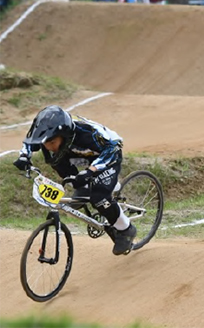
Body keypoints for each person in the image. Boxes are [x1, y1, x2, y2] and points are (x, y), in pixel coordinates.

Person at [12, 105, 136, 255]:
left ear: (65, 135)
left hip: (106, 155)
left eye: (52, 143)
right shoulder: (49, 134)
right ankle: (86, 187)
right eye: (46, 143)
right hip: (80, 155)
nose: (48, 147)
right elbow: (30, 142)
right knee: (57, 161)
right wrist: (24, 156)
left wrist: (91, 171)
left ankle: (126, 229)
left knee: (98, 197)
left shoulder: (87, 133)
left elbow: (114, 147)